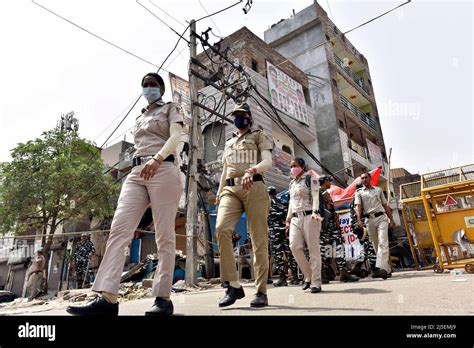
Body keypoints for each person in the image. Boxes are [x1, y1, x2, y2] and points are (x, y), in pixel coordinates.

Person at [67, 72, 184, 316]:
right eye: (145, 85)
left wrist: (158, 158)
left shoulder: (171, 108)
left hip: (163, 167)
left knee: (164, 235)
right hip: (136, 171)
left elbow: (175, 137)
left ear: (161, 89)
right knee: (119, 230)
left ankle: (163, 299)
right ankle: (107, 299)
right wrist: (144, 162)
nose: (149, 88)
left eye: (153, 85)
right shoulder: (140, 117)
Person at [215, 102, 273, 308]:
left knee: (258, 239)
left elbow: (268, 161)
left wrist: (253, 170)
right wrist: (219, 191)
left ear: (249, 117)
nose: (238, 118)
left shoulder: (258, 135)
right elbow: (225, 169)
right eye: (235, 115)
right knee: (221, 228)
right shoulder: (229, 143)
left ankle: (260, 291)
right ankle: (233, 285)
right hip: (230, 189)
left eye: (241, 114)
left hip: (254, 186)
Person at [285, 157, 323, 293]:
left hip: (310, 216)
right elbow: (291, 202)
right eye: (291, 166)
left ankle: (316, 282)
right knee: (294, 246)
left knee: (313, 250)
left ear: (302, 166)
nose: (292, 169)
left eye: (294, 165)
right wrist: (288, 219)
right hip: (295, 218)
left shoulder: (311, 178)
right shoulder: (291, 183)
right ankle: (308, 275)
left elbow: (316, 195)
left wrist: (315, 211)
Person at [354, 172, 396, 279]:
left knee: (383, 242)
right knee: (376, 246)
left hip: (381, 218)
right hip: (369, 220)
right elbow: (358, 207)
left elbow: (385, 205)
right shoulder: (359, 192)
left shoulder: (378, 190)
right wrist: (359, 220)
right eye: (362, 178)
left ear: (370, 178)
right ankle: (386, 269)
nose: (364, 179)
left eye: (366, 177)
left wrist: (391, 219)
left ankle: (382, 268)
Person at [319, 176, 359, 283]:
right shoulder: (318, 193)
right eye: (329, 181)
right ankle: (322, 274)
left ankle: (343, 273)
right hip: (323, 226)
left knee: (339, 247)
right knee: (322, 249)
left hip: (332, 225)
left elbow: (331, 210)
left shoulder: (326, 193)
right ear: (325, 181)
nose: (330, 183)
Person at [267, 186, 299, 286]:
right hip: (286, 231)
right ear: (276, 192)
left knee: (278, 255)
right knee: (290, 253)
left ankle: (282, 278)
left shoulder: (266, 203)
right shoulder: (284, 203)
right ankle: (295, 277)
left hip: (274, 231)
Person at [350, 184, 377, 277]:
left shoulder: (354, 198)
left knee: (367, 247)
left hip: (358, 226)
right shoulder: (360, 198)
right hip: (362, 225)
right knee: (370, 246)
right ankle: (374, 269)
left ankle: (357, 267)